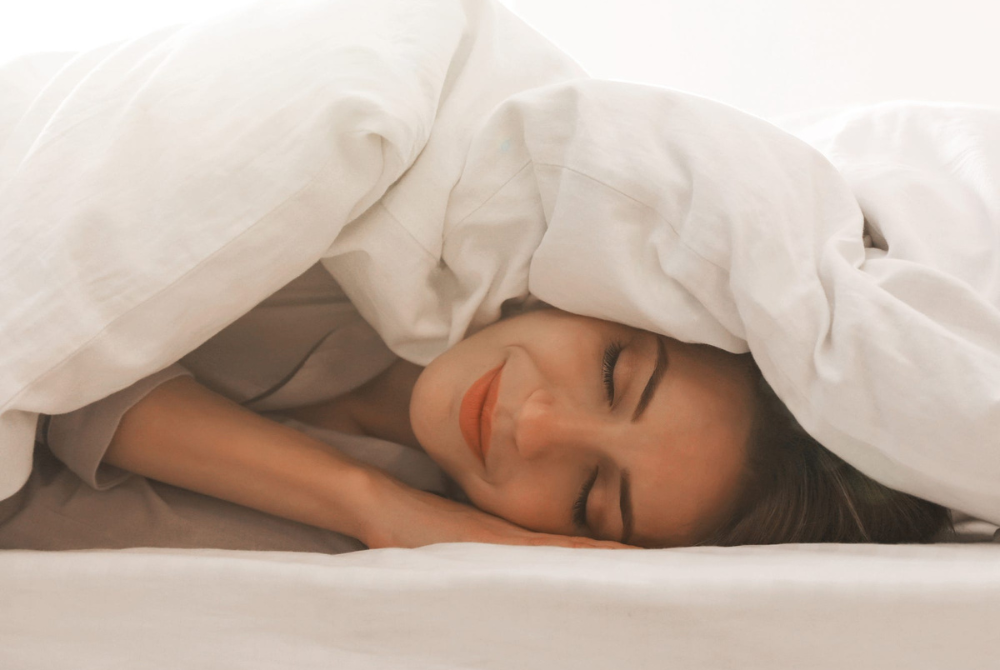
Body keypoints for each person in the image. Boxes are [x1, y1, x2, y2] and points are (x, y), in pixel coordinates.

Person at [0, 263, 952, 552]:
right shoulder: (349, 255)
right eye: (616, 371)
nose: (534, 428)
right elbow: (58, 332)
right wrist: (368, 503)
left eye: (590, 498)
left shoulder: (430, 552)